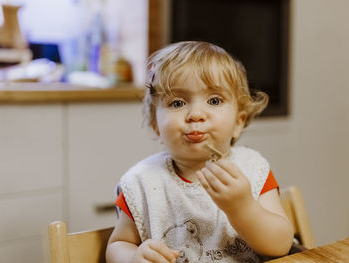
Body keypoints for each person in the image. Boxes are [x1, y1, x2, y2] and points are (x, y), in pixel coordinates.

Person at [106, 41, 294, 263]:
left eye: (214, 100)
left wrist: (242, 208)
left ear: (238, 122)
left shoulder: (252, 169)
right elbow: (118, 245)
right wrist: (134, 257)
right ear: (156, 125)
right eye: (177, 103)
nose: (195, 114)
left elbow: (281, 245)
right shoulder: (142, 181)